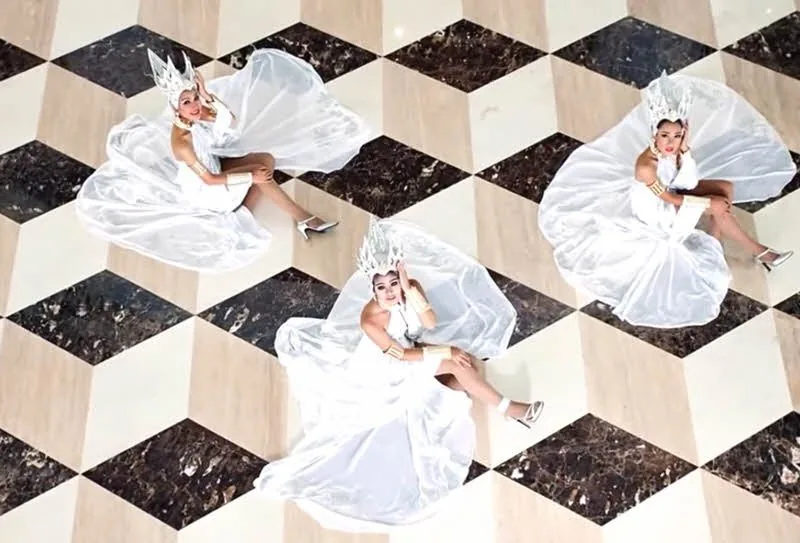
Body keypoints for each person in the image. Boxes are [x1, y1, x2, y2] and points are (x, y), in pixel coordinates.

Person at [254, 217, 543, 532]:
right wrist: (443, 352)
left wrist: (408, 288)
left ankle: (507, 408)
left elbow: (430, 323)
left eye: (392, 283)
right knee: (457, 364)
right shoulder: (370, 319)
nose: (389, 292)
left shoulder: (410, 289)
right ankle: (511, 410)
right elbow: (398, 356)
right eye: (381, 287)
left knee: (461, 369)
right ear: (372, 288)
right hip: (384, 370)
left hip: (412, 348)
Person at [76, 49, 373, 273]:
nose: (194, 106)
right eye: (186, 102)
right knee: (261, 170)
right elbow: (208, 179)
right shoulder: (181, 143)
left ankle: (260, 212)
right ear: (175, 108)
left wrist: (207, 95)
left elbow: (230, 122)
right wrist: (251, 177)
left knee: (266, 158)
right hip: (208, 190)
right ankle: (303, 218)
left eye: (194, 98)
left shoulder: (197, 112)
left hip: (214, 168)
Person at [538, 71, 795, 328]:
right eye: (665, 136)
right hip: (656, 210)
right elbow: (669, 198)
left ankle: (716, 240)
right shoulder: (646, 166)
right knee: (719, 205)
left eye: (677, 135)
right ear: (654, 134)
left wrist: (685, 149)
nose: (671, 142)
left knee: (725, 188)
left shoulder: (675, 149)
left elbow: (687, 181)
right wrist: (708, 204)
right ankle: (760, 252)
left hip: (673, 191)